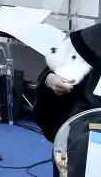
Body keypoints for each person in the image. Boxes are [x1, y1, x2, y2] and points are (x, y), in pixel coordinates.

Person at [34, 21, 101, 176]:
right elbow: (52, 73)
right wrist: (50, 80)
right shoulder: (92, 38)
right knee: (80, 144)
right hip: (88, 124)